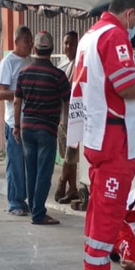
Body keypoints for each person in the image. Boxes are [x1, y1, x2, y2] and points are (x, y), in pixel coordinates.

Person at [66, 0, 135, 270]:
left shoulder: (90, 35)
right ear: (130, 13)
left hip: (96, 134)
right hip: (114, 137)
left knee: (98, 208)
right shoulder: (115, 35)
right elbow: (124, 87)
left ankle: (96, 269)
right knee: (109, 210)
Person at [13, 31, 70, 225]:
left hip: (27, 128)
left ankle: (34, 209)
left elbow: (17, 102)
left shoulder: (24, 73)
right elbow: (68, 102)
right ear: (52, 49)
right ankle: (38, 214)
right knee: (43, 173)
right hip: (47, 130)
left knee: (31, 171)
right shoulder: (58, 76)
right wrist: (66, 125)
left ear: (35, 49)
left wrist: (16, 126)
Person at [0, 26, 34, 217]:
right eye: (26, 40)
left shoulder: (30, 61)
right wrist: (20, 94)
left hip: (30, 121)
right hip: (14, 122)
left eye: (31, 40)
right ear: (17, 42)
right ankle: (14, 201)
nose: (30, 44)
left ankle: (23, 198)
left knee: (28, 165)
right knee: (15, 164)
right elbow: (1, 93)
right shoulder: (8, 63)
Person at [54, 31, 81, 204]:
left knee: (71, 155)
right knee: (66, 154)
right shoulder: (62, 63)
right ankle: (73, 189)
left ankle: (62, 182)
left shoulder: (80, 63)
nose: (68, 47)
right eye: (66, 43)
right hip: (61, 116)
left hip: (75, 118)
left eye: (72, 43)